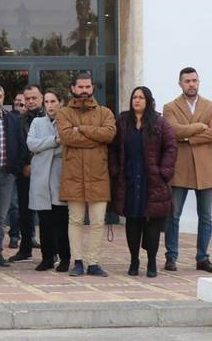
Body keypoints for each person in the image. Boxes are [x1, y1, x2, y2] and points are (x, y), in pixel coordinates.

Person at [110, 87, 177, 277]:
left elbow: (171, 147)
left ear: (148, 100)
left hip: (152, 180)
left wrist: (164, 172)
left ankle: (152, 262)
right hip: (130, 178)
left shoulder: (159, 122)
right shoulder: (123, 121)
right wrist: (114, 169)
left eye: (141, 97)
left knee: (152, 225)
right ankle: (133, 260)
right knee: (132, 222)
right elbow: (112, 148)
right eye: (134, 97)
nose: (137, 100)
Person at [57, 72, 116, 277]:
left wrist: (80, 128)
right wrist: (94, 135)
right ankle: (78, 261)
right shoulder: (64, 113)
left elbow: (108, 134)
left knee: (98, 221)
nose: (84, 91)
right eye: (80, 87)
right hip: (73, 175)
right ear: (73, 88)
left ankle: (94, 263)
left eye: (87, 87)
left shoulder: (105, 112)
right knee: (75, 221)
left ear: (93, 88)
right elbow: (66, 137)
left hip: (98, 175)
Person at [163, 67, 212, 273]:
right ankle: (171, 257)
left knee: (206, 217)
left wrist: (186, 137)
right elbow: (172, 130)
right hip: (180, 168)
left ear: (198, 82)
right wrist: (200, 127)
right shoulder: (170, 107)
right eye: (187, 81)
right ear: (180, 83)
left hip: (205, 169)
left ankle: (202, 258)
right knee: (173, 216)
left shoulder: (210, 106)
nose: (191, 84)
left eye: (194, 80)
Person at [0, 84, 29, 268]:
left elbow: (21, 145)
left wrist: (15, 169)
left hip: (6, 174)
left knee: (0, 217)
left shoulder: (13, 120)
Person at [27, 90, 70, 272]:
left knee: (61, 220)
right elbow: (31, 144)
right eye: (47, 102)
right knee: (44, 221)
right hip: (41, 176)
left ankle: (65, 257)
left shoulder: (66, 122)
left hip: (60, 176)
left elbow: (68, 142)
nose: (50, 105)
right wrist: (54, 141)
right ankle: (47, 257)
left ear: (60, 102)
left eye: (53, 101)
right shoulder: (37, 122)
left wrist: (45, 146)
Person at [10, 85, 44, 259]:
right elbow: (18, 145)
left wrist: (33, 163)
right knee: (24, 212)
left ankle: (50, 252)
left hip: (45, 171)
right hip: (24, 173)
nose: (30, 102)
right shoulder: (18, 120)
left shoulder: (49, 118)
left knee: (47, 213)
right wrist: (23, 165)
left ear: (41, 98)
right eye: (27, 98)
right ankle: (25, 249)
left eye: (34, 98)